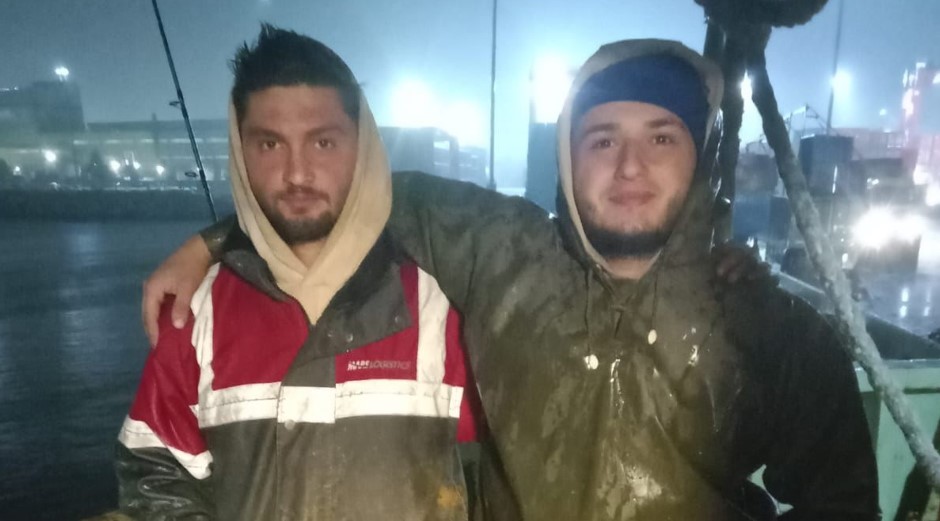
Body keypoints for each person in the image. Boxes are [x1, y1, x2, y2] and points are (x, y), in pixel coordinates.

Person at [143, 38, 879, 519]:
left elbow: (842, 500)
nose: (630, 166)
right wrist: (210, 241)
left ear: (700, 155)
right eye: (602, 140)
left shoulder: (768, 327)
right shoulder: (503, 255)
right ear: (566, 154)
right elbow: (342, 190)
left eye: (662, 137)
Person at [116, 25, 482, 521]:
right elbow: (156, 476)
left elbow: (491, 479)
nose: (296, 173)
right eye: (269, 145)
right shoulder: (194, 312)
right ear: (240, 151)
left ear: (363, 148)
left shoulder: (443, 305)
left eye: (323, 143)